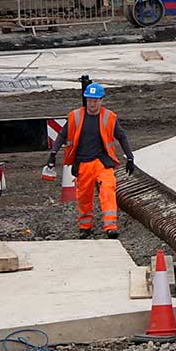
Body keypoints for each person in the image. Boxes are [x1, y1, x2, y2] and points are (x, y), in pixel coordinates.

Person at [47, 82, 135, 238]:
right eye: (89, 100)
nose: (92, 104)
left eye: (95, 100)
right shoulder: (76, 116)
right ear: (85, 100)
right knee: (84, 197)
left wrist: (130, 157)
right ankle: (85, 227)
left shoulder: (109, 117)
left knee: (108, 190)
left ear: (101, 100)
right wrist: (53, 153)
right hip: (83, 163)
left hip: (102, 162)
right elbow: (62, 135)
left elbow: (121, 136)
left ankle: (110, 227)